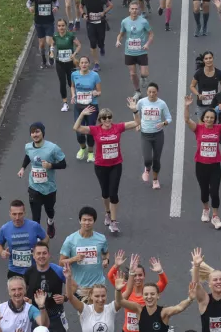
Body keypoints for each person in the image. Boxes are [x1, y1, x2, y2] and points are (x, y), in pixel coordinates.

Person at [74, 104, 141, 233]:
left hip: (116, 165)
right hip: (100, 166)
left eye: (109, 117)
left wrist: (135, 110)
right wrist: (82, 114)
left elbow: (137, 122)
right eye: (104, 118)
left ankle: (114, 222)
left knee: (113, 193)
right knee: (105, 193)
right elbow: (76, 128)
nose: (107, 120)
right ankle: (108, 212)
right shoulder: (95, 130)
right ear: (100, 120)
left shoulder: (118, 127)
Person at [185, 94, 221, 229]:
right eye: (207, 117)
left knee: (214, 191)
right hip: (201, 165)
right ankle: (205, 209)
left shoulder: (218, 128)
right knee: (204, 191)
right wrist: (187, 106)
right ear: (204, 118)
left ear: (215, 120)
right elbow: (186, 119)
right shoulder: (198, 128)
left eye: (212, 118)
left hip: (214, 166)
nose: (209, 119)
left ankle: (215, 216)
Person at [18, 122, 66, 237]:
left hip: (49, 187)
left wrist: (51, 166)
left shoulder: (53, 148)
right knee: (36, 216)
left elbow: (63, 164)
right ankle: (38, 239)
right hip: (34, 186)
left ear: (42, 133)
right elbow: (28, 156)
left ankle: (50, 222)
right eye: (33, 132)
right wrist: (23, 168)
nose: (35, 134)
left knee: (49, 210)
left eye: (37, 131)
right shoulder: (28, 146)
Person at [58, 206, 110, 302]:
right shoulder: (70, 240)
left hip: (98, 285)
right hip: (81, 287)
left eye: (90, 220)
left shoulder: (101, 238)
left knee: (99, 314)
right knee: (85, 316)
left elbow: (105, 253)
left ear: (94, 221)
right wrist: (74, 259)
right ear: (80, 221)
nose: (87, 223)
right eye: (84, 220)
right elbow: (61, 262)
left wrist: (106, 260)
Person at [24, 241, 68, 332]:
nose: (41, 256)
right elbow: (24, 291)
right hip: (37, 317)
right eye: (38, 253)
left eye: (44, 253)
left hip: (56, 316)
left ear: (49, 255)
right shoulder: (29, 272)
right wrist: (25, 299)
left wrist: (65, 297)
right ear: (34, 256)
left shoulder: (57, 270)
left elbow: (74, 286)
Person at [0, 200, 49, 279]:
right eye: (14, 214)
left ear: (24, 213)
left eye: (20, 214)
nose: (17, 217)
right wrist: (2, 252)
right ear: (10, 214)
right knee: (17, 291)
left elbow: (45, 238)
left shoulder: (34, 226)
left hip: (34, 268)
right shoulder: (5, 228)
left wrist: (38, 250)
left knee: (34, 291)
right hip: (14, 270)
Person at [135, 82, 174, 189]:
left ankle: (155, 180)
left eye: (154, 92)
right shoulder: (141, 102)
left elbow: (169, 118)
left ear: (157, 92)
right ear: (147, 92)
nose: (152, 94)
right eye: (149, 92)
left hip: (158, 135)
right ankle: (147, 168)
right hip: (145, 134)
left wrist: (164, 123)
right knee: (148, 159)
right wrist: (137, 124)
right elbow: (135, 113)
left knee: (156, 159)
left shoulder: (162, 103)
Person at [70, 55, 102, 161]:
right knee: (78, 130)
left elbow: (99, 91)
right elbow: (72, 86)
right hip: (79, 106)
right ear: (79, 64)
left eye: (86, 63)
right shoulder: (74, 74)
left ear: (89, 64)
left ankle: (91, 152)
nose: (84, 64)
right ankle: (83, 148)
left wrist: (95, 93)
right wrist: (73, 95)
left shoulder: (95, 75)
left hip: (91, 106)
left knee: (90, 130)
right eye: (82, 63)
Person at [28, 0, 60, 69]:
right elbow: (28, 2)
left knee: (49, 41)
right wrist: (30, 7)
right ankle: (43, 61)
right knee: (41, 44)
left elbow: (57, 2)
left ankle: (51, 54)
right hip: (39, 22)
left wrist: (56, 7)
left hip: (49, 21)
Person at [52, 19, 83, 111]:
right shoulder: (55, 36)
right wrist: (51, 51)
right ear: (57, 27)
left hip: (70, 63)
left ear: (65, 26)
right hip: (60, 62)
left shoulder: (70, 35)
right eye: (59, 26)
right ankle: (65, 103)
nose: (61, 27)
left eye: (63, 25)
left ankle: (77, 98)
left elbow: (79, 45)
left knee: (71, 82)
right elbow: (52, 45)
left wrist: (74, 54)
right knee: (62, 82)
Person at [81, 0, 112, 71]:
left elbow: (110, 5)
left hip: (100, 23)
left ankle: (102, 46)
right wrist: (83, 14)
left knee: (101, 40)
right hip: (90, 23)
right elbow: (80, 6)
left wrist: (104, 12)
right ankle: (96, 63)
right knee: (93, 43)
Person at [190, 51, 221, 120]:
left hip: (214, 105)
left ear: (213, 59)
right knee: (202, 127)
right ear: (203, 60)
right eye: (206, 59)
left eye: (210, 58)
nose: (208, 60)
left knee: (213, 126)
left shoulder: (219, 73)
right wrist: (198, 95)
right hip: (201, 105)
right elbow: (192, 86)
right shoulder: (199, 73)